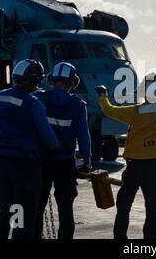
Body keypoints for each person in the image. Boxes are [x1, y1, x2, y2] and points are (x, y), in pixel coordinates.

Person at [95, 39, 156, 239]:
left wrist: (103, 95)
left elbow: (109, 110)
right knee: (152, 208)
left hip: (135, 167)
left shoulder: (135, 112)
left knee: (124, 207)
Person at [0, 59, 60, 239]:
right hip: (25, 167)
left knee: (5, 211)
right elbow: (50, 139)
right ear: (33, 80)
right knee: (21, 212)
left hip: (3, 164)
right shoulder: (33, 103)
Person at [34, 62, 92, 239]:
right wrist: (87, 161)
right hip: (65, 163)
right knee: (66, 210)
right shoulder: (78, 105)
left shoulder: (38, 98)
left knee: (37, 206)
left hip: (41, 161)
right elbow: (84, 136)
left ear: (51, 79)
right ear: (73, 81)